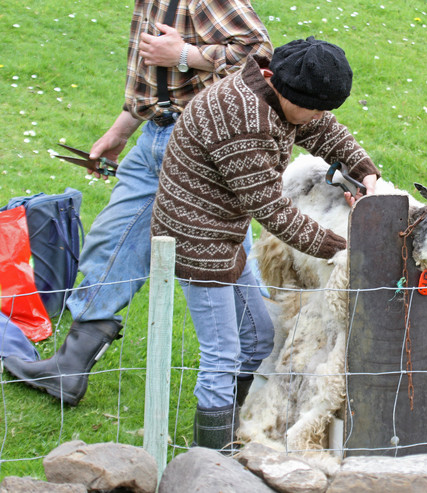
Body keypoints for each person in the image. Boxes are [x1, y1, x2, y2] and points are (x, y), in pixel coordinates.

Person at [3, 1, 274, 411]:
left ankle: (246, 379)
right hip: (156, 137)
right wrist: (120, 132)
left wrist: (184, 55)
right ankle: (70, 366)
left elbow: (260, 55)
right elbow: (157, 84)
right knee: (112, 240)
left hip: (197, 143)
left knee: (218, 262)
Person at [150, 36, 380, 451]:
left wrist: (364, 172)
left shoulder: (278, 93)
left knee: (256, 338)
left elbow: (322, 128)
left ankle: (241, 434)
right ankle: (211, 458)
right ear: (282, 86)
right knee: (221, 355)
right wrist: (345, 246)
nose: (320, 115)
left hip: (226, 233)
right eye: (315, 106)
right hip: (197, 242)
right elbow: (272, 210)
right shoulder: (243, 119)